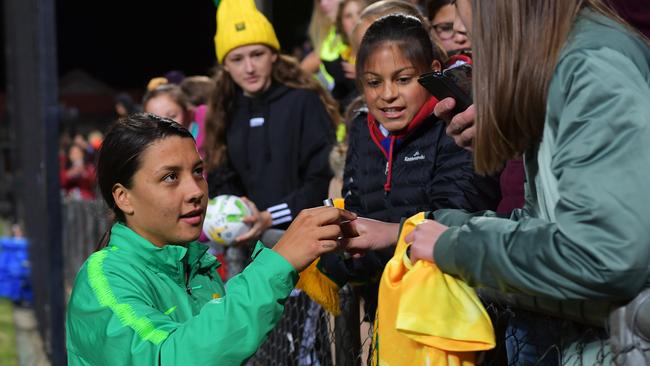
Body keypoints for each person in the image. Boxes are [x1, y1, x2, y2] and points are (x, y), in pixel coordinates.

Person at [345, 0, 650, 363]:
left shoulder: (591, 65)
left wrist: (454, 248)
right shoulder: (567, 62)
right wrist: (428, 229)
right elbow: (549, 228)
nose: (459, 22)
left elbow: (602, 254)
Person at [65, 113, 355, 365]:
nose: (196, 191)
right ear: (123, 197)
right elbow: (169, 358)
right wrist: (278, 264)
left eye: (198, 172)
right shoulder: (103, 280)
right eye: (170, 177)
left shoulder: (196, 264)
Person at [318, 13, 500, 320]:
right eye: (374, 82)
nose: (388, 95)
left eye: (403, 79)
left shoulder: (457, 125)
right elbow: (358, 213)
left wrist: (383, 238)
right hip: (386, 315)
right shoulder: (363, 129)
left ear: (433, 72)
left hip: (455, 318)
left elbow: (453, 223)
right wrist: (337, 254)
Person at [205, 0, 339, 248]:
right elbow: (220, 176)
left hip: (305, 238)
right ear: (225, 65)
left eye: (257, 54)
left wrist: (270, 217)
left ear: (274, 55)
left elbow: (322, 177)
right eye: (237, 58)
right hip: (246, 242)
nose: (249, 68)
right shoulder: (224, 111)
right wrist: (239, 214)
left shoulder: (304, 100)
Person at [142, 84, 206, 156]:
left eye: (172, 116)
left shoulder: (208, 135)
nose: (164, 124)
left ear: (189, 113)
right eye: (155, 119)